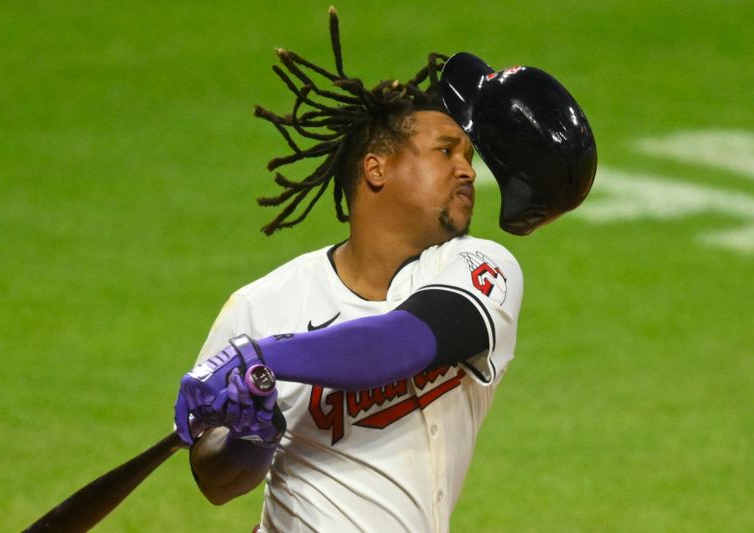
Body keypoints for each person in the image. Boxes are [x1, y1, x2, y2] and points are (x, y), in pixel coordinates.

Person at [174, 7, 594, 532]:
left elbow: (401, 341)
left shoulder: (481, 269)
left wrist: (264, 356)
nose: (467, 168)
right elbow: (216, 481)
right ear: (377, 167)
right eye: (446, 151)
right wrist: (251, 438)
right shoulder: (262, 304)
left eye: (469, 156)